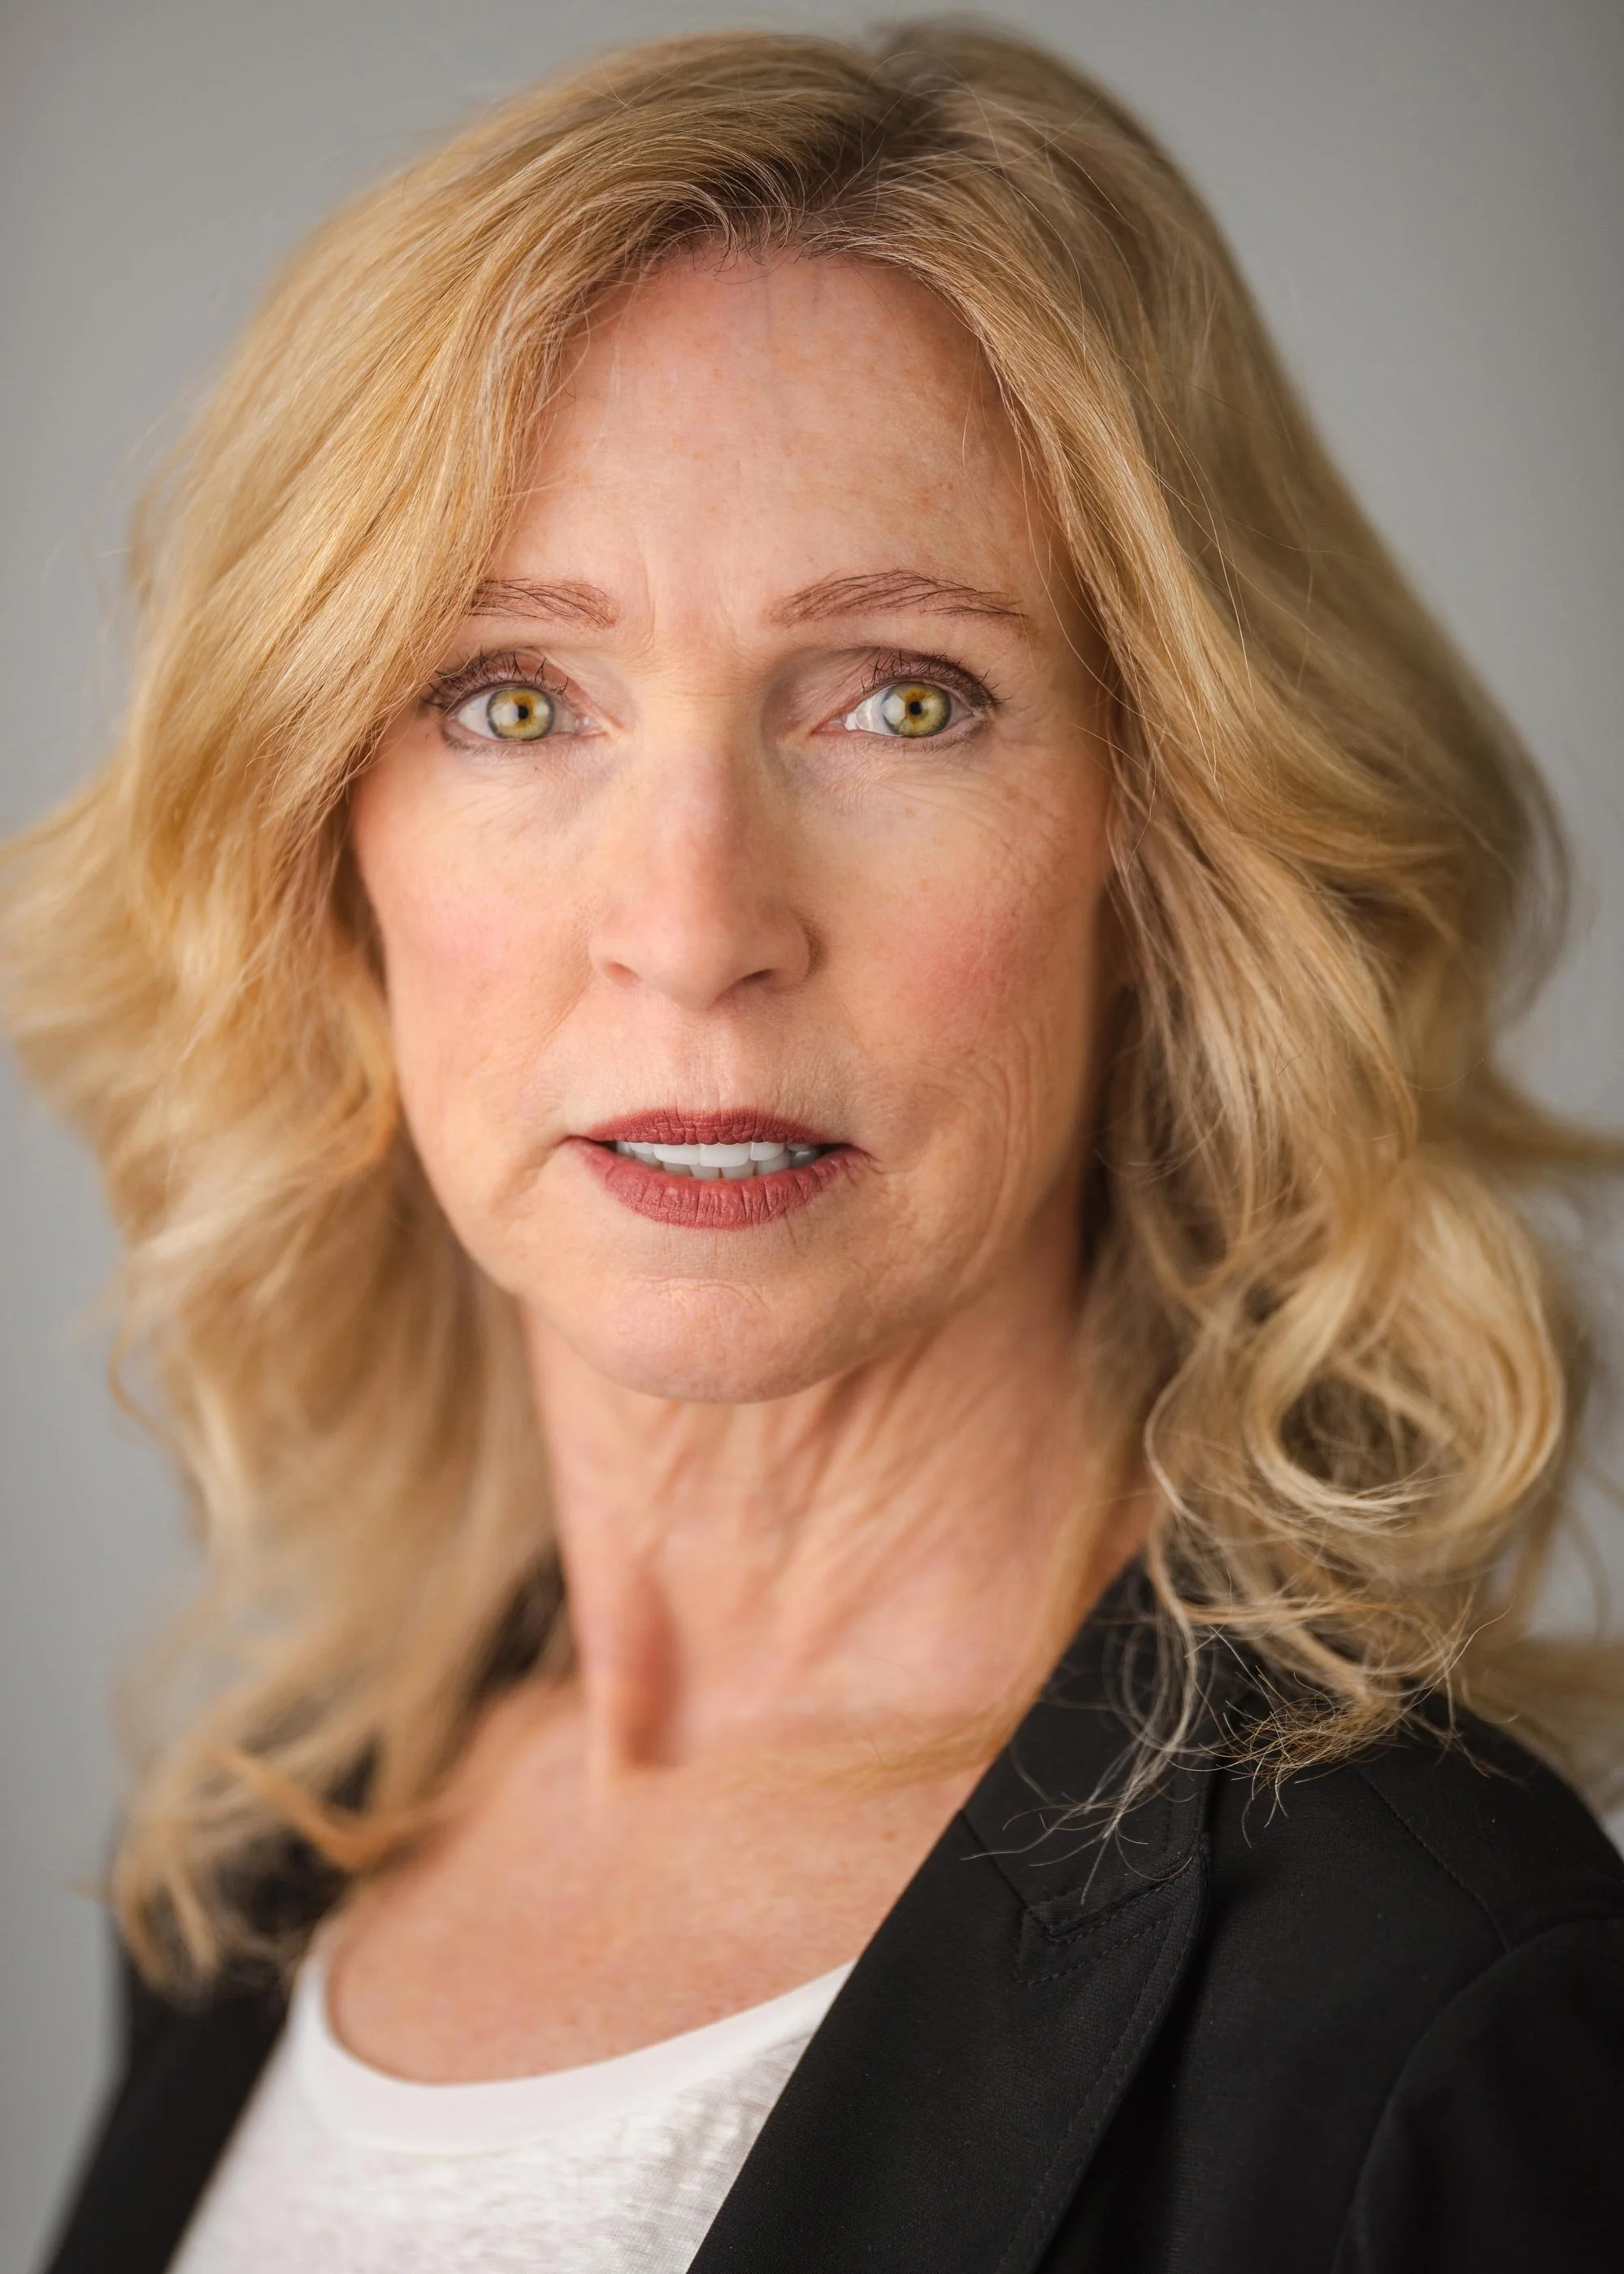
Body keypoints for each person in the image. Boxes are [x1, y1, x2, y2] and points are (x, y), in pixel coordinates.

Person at [10, 22, 1622, 2274]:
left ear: (1160, 850)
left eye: (897, 695)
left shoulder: (1427, 2016)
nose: (691, 927)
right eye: (510, 698)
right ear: (323, 849)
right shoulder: (274, 1848)